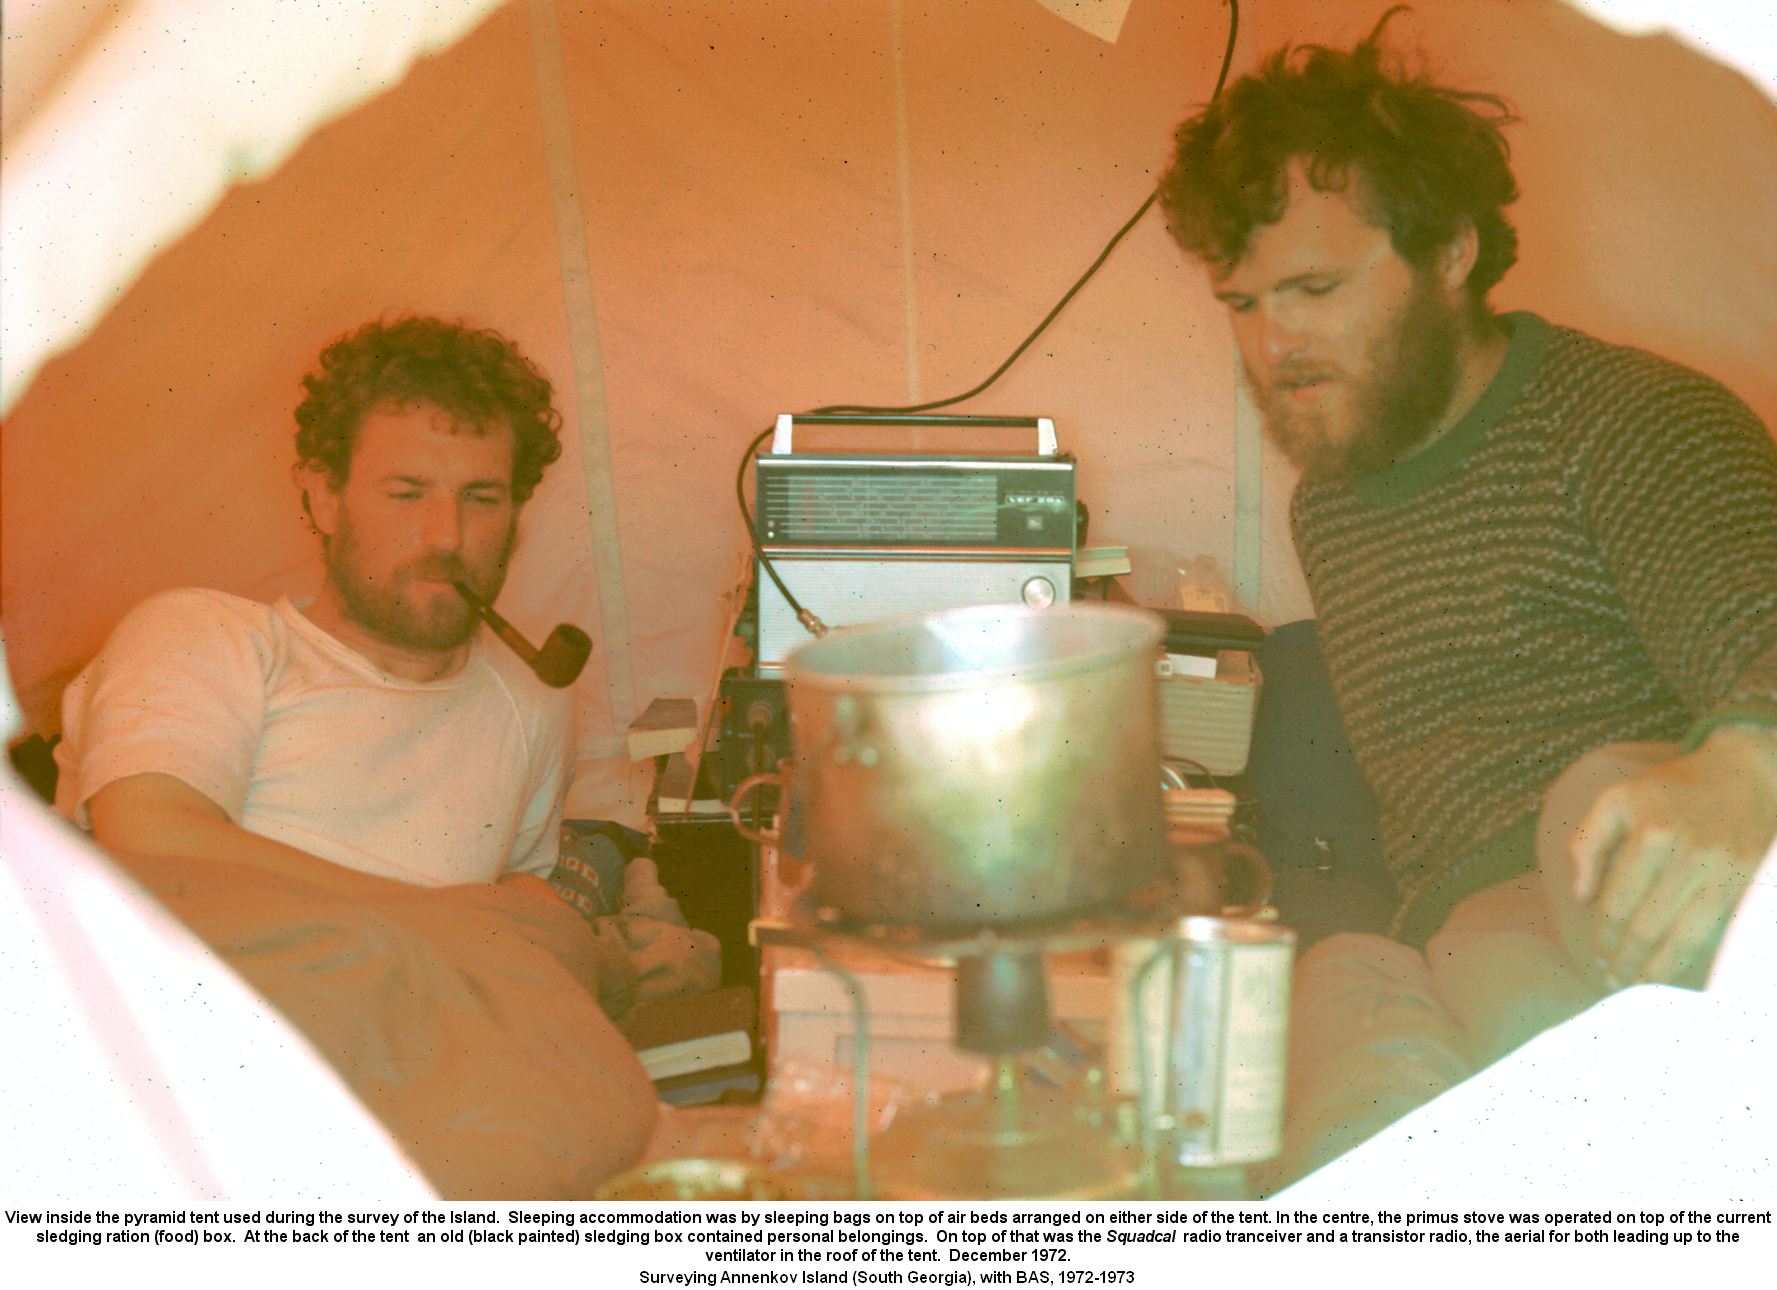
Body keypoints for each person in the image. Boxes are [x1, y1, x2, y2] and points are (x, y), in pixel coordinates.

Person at [1156, 13, 1777, 1174]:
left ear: (1447, 252)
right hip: (1438, 935)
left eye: (1315, 286)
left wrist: (1749, 756)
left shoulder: (1629, 422)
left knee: (1588, 806)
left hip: (1611, 904)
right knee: (1333, 1032)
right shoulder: (1330, 506)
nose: (1273, 342)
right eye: (1240, 303)